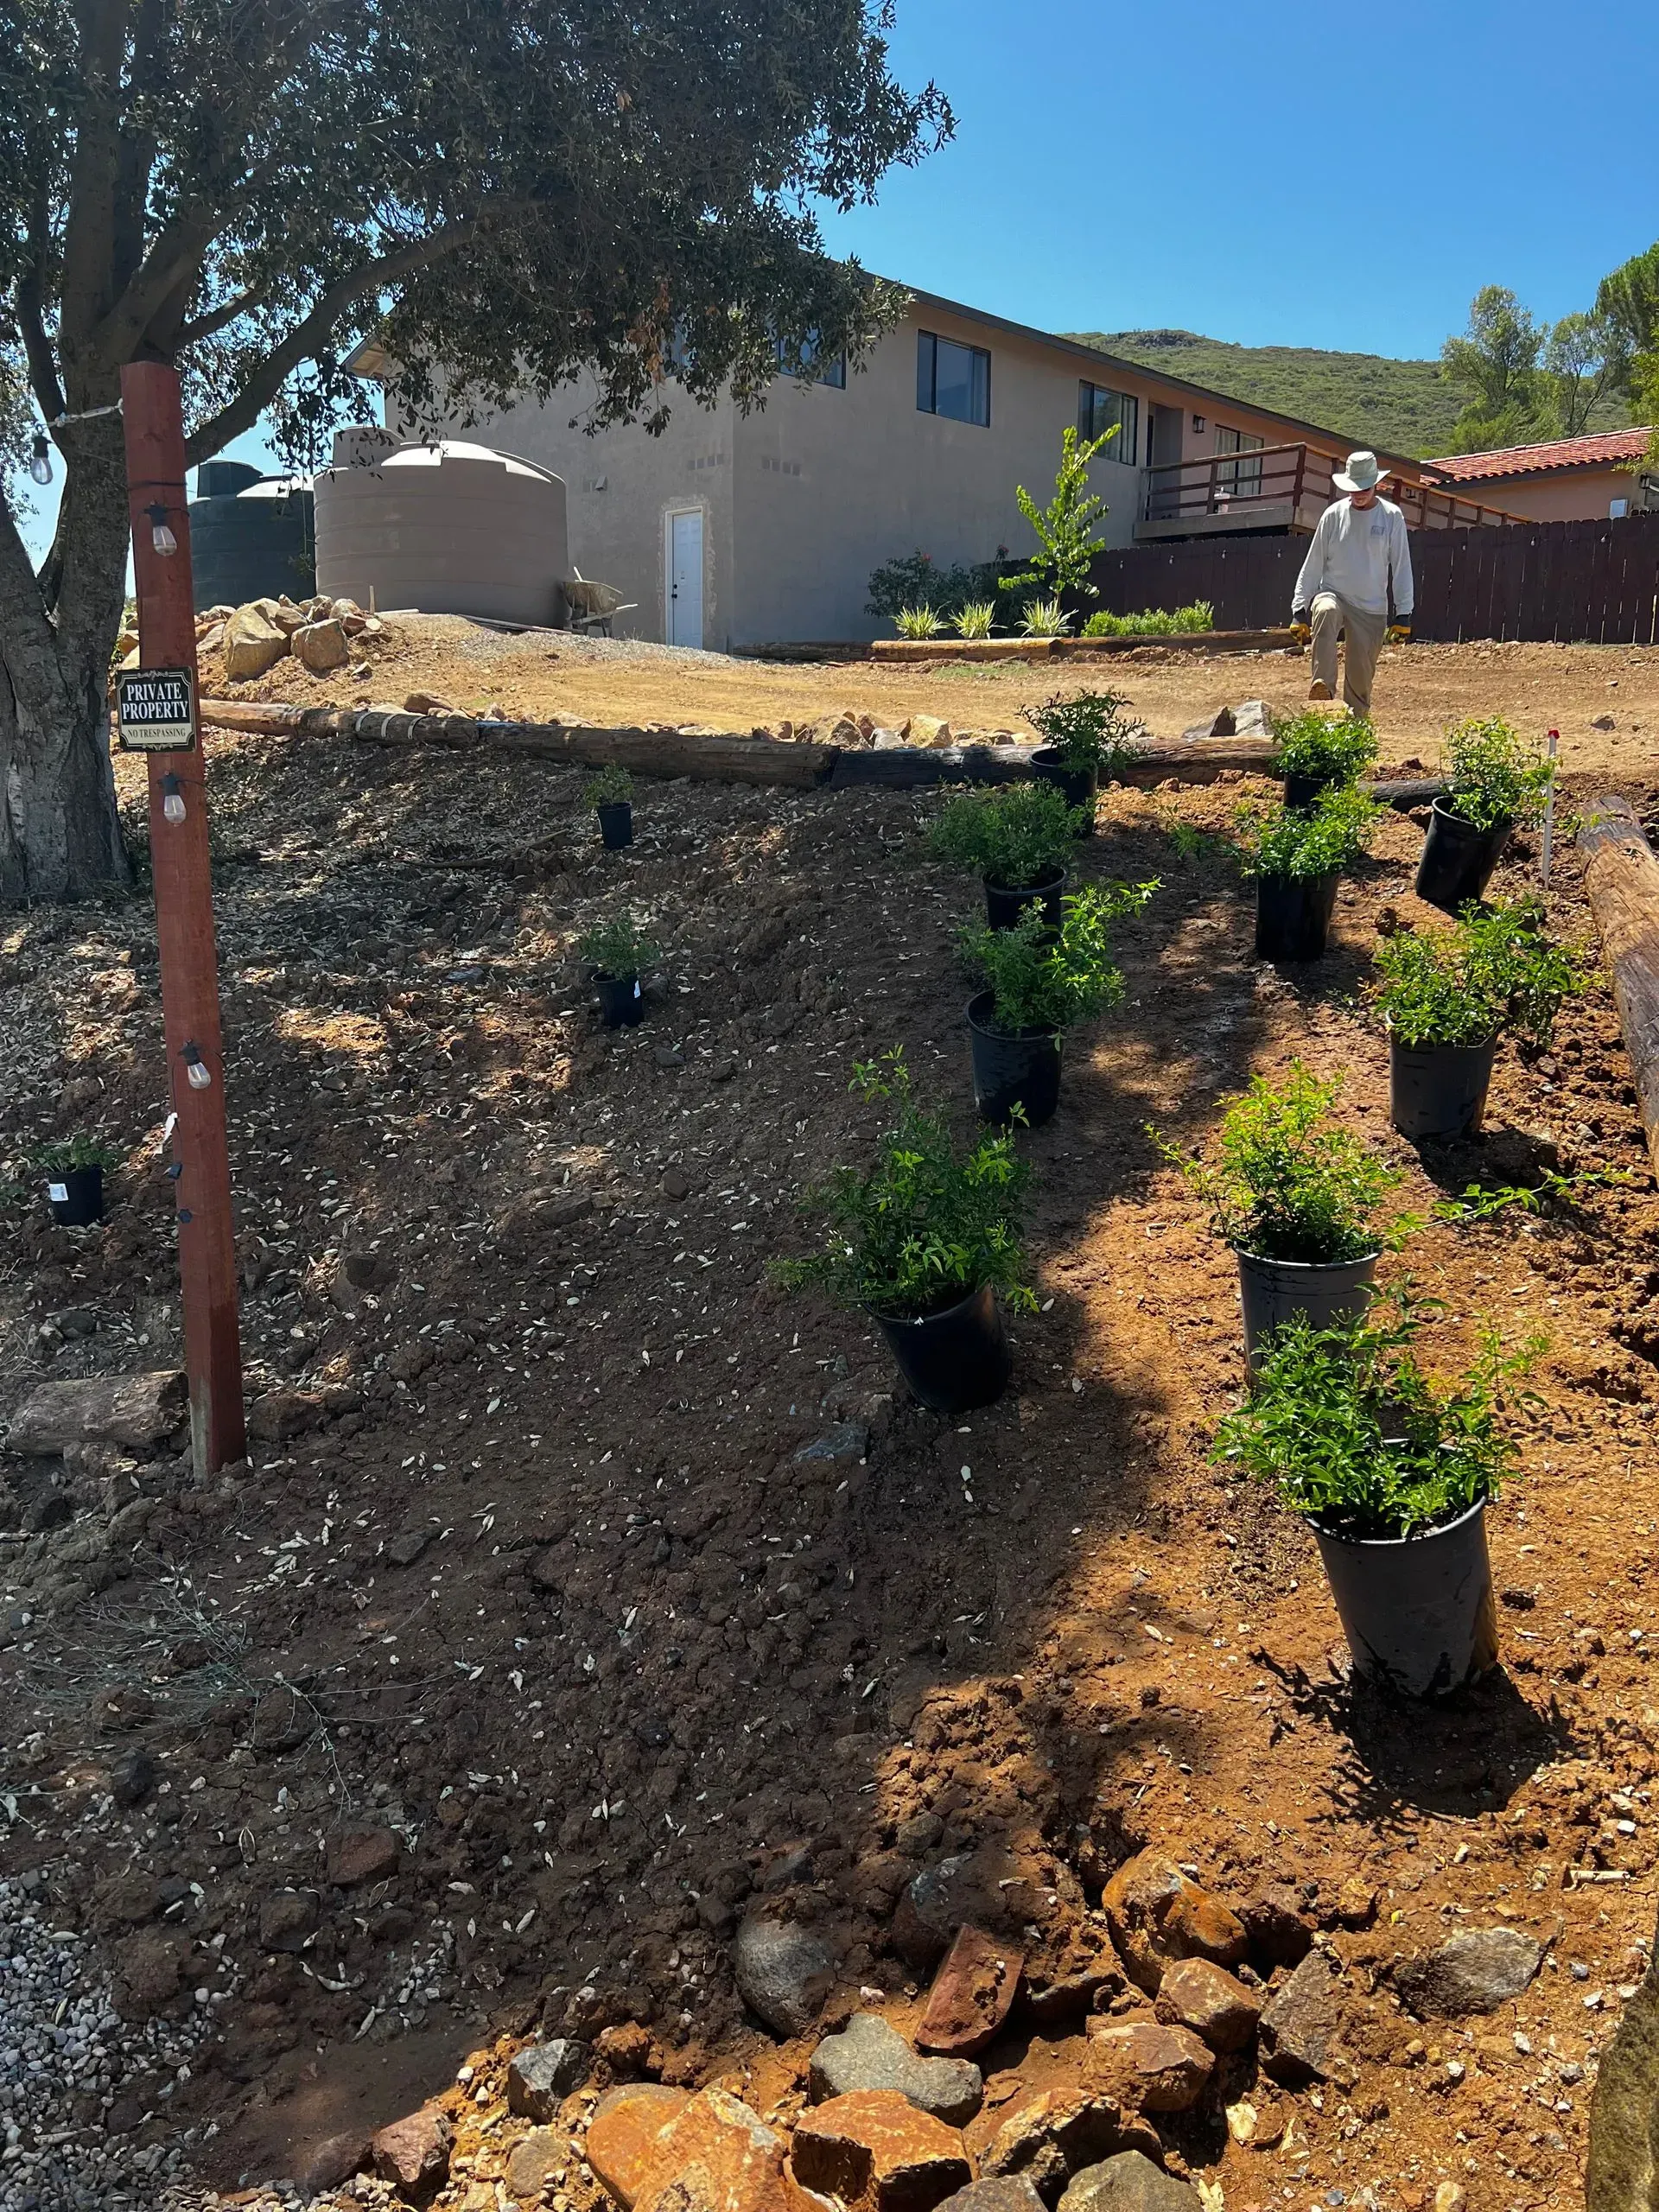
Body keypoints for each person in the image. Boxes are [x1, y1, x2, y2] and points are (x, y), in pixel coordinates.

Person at [1289, 450, 1414, 715]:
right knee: (1325, 610)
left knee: (1360, 683)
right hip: (1334, 593)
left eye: (1364, 488)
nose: (1359, 494)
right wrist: (1300, 609)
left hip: (1371, 607)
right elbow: (1314, 562)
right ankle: (1322, 693)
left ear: (1376, 484)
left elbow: (1402, 566)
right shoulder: (1333, 516)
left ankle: (1355, 735)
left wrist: (1404, 613)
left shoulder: (1392, 517)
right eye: (1353, 488)